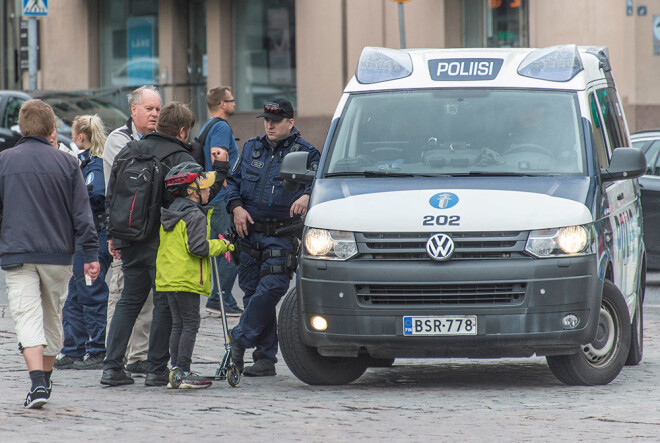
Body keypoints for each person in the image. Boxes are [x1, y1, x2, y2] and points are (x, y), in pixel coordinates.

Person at [101, 102, 228, 387]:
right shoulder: (180, 157)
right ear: (183, 131)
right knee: (163, 305)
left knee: (128, 301)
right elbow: (199, 196)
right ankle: (157, 370)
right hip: (163, 242)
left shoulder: (130, 150)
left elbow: (113, 194)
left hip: (131, 236)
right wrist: (221, 169)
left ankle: (111, 368)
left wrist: (114, 234)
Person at [0, 100, 100, 408]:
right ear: (52, 127)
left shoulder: (3, 160)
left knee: (26, 315)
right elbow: (82, 215)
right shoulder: (68, 163)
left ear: (22, 126)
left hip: (17, 251)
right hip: (58, 254)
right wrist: (92, 252)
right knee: (52, 317)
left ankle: (38, 384)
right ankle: (44, 379)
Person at [226, 98, 320, 377]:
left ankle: (239, 339)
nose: (269, 125)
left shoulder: (306, 153)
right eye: (266, 120)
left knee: (271, 289)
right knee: (253, 294)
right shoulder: (252, 147)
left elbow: (321, 184)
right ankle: (265, 358)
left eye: (276, 121)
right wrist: (236, 207)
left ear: (290, 123)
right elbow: (233, 182)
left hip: (281, 234)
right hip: (249, 233)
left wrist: (306, 195)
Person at [102, 85, 161, 376]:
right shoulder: (119, 140)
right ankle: (115, 356)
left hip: (149, 232)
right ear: (133, 110)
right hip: (126, 231)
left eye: (158, 110)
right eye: (149, 109)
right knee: (123, 294)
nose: (154, 114)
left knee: (146, 297)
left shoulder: (157, 141)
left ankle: (138, 356)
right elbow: (118, 190)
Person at [157, 162, 232, 389]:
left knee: (178, 324)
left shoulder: (173, 211)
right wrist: (223, 245)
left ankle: (176, 371)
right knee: (190, 323)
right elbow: (198, 247)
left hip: (169, 277)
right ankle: (184, 371)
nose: (209, 191)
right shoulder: (194, 215)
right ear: (193, 191)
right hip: (186, 278)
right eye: (206, 187)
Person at [54, 115, 112, 371]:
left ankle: (97, 349)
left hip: (93, 236)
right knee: (75, 294)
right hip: (85, 237)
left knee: (90, 291)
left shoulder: (95, 165)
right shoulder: (87, 162)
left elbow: (97, 194)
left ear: (80, 137)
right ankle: (73, 349)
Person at [199, 86, 242, 316]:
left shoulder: (208, 125)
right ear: (222, 104)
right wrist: (230, 189)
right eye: (231, 100)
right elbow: (218, 157)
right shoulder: (221, 127)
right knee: (232, 248)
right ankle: (221, 299)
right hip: (222, 199)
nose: (235, 103)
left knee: (220, 248)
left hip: (212, 198)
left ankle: (218, 298)